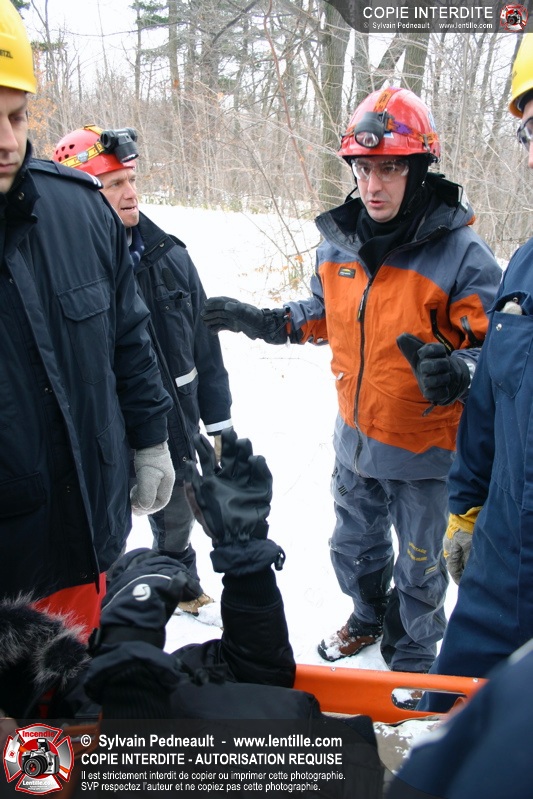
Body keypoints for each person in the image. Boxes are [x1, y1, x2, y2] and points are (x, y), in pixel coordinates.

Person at [201, 87, 502, 674]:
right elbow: (324, 312)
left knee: (421, 568)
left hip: (425, 452)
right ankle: (367, 616)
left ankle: (413, 655)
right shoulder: (338, 244)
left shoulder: (462, 254)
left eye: (390, 168)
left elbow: (498, 349)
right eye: (363, 168)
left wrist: (459, 371)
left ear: (419, 168)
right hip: (356, 440)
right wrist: (268, 321)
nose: (372, 184)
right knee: (353, 549)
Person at [0, 0, 174, 640]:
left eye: (16, 116)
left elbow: (129, 340)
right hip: (8, 571)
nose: (7, 141)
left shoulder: (79, 211)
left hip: (88, 540)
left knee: (77, 694)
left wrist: (150, 439)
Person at [52, 125, 233, 616]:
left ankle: (180, 579)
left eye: (131, 179)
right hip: (97, 437)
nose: (130, 193)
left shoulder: (170, 257)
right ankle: (107, 600)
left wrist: (219, 423)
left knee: (176, 516)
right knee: (100, 533)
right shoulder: (57, 269)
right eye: (114, 184)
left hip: (173, 423)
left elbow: (205, 348)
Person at [418, 33, 533, 709]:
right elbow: (491, 398)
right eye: (530, 132)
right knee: (448, 724)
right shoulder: (524, 266)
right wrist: (464, 510)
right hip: (502, 566)